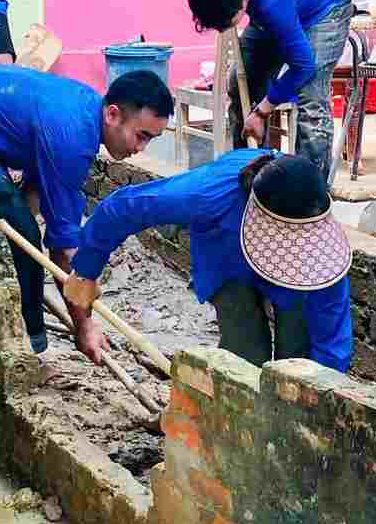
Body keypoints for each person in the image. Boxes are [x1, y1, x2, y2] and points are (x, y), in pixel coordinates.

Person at [0, 66, 173, 355]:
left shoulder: (85, 112)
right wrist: (84, 327)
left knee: (20, 224)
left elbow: (37, 192)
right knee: (24, 239)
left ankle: (22, 317)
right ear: (112, 114)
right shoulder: (71, 138)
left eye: (151, 139)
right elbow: (64, 250)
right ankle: (31, 343)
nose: (142, 148)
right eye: (141, 135)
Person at [66, 150, 353, 372]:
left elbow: (332, 339)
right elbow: (122, 209)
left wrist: (322, 392)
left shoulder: (320, 254)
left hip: (298, 276)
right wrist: (85, 273)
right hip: (225, 258)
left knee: (298, 360)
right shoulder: (209, 194)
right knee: (245, 357)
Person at [186, 0, 355, 181]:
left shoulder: (274, 3)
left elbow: (303, 66)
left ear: (244, 0)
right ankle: (248, 177)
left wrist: (263, 110)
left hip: (324, 9)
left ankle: (308, 193)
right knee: (240, 84)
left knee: (309, 97)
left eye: (228, 22)